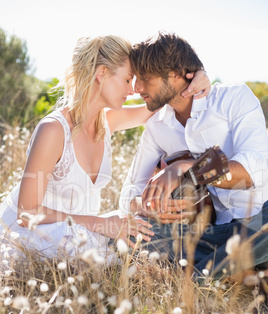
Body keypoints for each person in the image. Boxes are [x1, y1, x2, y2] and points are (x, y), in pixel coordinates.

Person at [0, 35, 210, 262]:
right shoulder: (53, 130)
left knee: (136, 230)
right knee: (109, 252)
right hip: (27, 235)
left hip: (77, 231)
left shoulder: (108, 121)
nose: (133, 90)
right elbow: (26, 213)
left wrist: (197, 78)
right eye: (128, 80)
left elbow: (160, 100)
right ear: (102, 74)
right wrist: (101, 223)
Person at [119, 32, 268, 276]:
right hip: (217, 233)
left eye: (145, 78)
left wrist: (184, 168)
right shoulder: (156, 126)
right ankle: (237, 269)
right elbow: (129, 194)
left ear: (176, 74)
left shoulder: (234, 98)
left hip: (262, 217)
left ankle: (201, 278)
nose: (137, 88)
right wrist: (148, 208)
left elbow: (255, 170)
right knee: (133, 239)